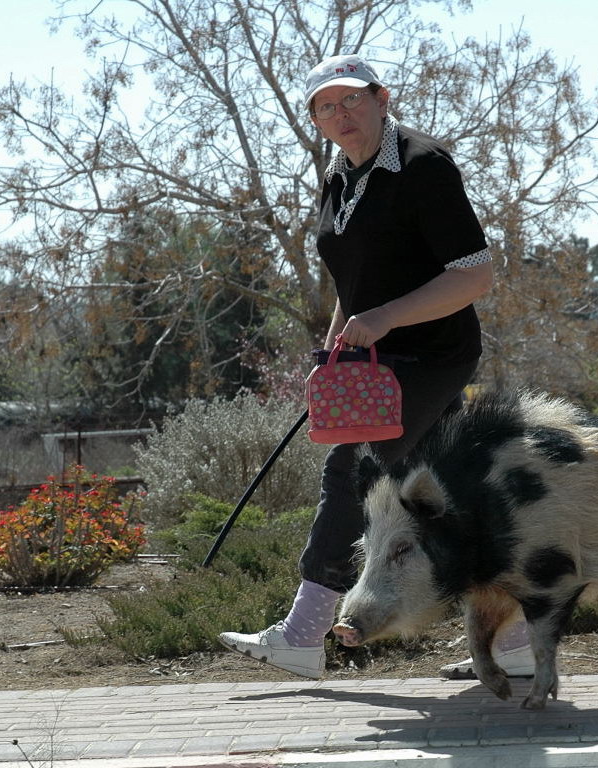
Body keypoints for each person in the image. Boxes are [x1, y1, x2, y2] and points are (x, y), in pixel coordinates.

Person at [218, 54, 534, 680]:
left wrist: (387, 318)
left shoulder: (422, 165)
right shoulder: (340, 176)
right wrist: (333, 355)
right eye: (324, 107)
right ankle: (517, 645)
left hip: (432, 355)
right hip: (371, 360)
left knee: (354, 472)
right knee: (448, 496)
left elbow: (475, 273)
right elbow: (354, 283)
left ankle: (304, 635)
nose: (339, 114)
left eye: (350, 100)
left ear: (382, 98)